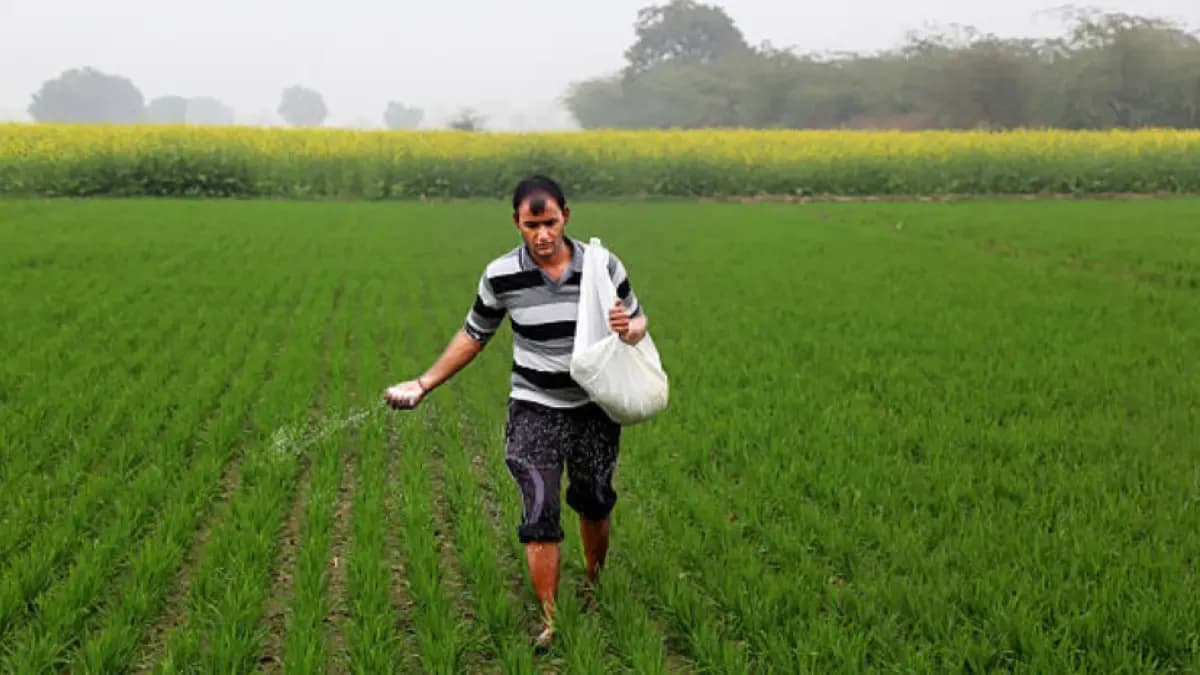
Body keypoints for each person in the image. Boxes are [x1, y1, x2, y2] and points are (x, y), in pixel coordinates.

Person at [383, 175, 648, 652]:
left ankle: (593, 581)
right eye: (531, 225)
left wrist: (629, 329)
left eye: (549, 222)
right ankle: (551, 619)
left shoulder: (601, 265)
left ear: (566, 215)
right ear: (517, 223)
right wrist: (423, 383)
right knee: (538, 504)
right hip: (534, 406)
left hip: (594, 406)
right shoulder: (501, 275)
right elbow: (473, 335)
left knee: (593, 498)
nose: (542, 234)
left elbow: (638, 318)